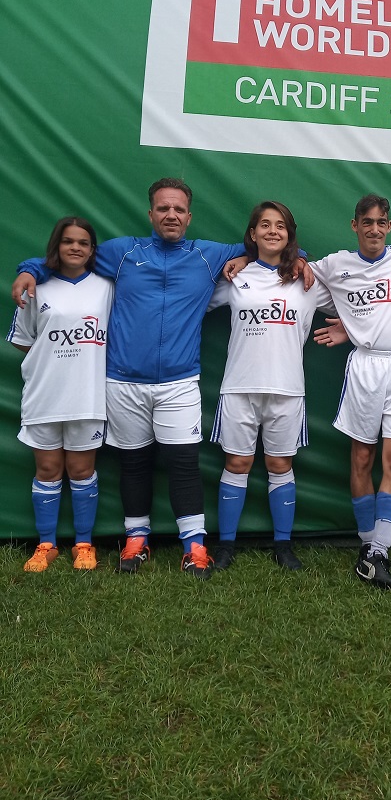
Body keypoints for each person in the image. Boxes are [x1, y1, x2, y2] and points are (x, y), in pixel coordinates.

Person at [12, 179, 247, 579]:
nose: (170, 215)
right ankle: (136, 541)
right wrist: (28, 269)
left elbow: (271, 247)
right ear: (151, 213)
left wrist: (291, 259)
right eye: (162, 208)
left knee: (184, 463)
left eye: (178, 209)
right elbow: (68, 258)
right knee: (134, 463)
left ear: (190, 216)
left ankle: (194, 547)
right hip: (122, 382)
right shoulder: (122, 253)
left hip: (179, 381)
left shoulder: (211, 256)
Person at [311, 194, 391, 590]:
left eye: (382, 222)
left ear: (390, 227)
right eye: (367, 222)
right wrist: (244, 259)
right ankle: (368, 547)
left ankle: (379, 550)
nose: (375, 229)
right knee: (362, 457)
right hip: (364, 366)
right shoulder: (335, 265)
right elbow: (296, 271)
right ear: (355, 225)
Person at [207, 201, 332, 572]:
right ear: (252, 234)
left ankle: (283, 546)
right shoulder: (235, 278)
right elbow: (193, 302)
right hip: (239, 388)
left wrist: (346, 327)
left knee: (280, 464)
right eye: (264, 225)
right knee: (237, 463)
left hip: (287, 389)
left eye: (280, 226)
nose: (272, 231)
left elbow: (350, 306)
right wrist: (241, 261)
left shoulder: (305, 280)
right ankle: (226, 546)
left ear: (290, 235)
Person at [7, 217, 113, 572]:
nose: (75, 247)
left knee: (81, 470)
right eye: (68, 241)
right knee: (48, 469)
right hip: (45, 394)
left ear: (92, 249)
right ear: (57, 245)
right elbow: (24, 343)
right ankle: (46, 544)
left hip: (88, 395)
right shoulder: (36, 287)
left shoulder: (106, 287)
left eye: (83, 242)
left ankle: (84, 544)